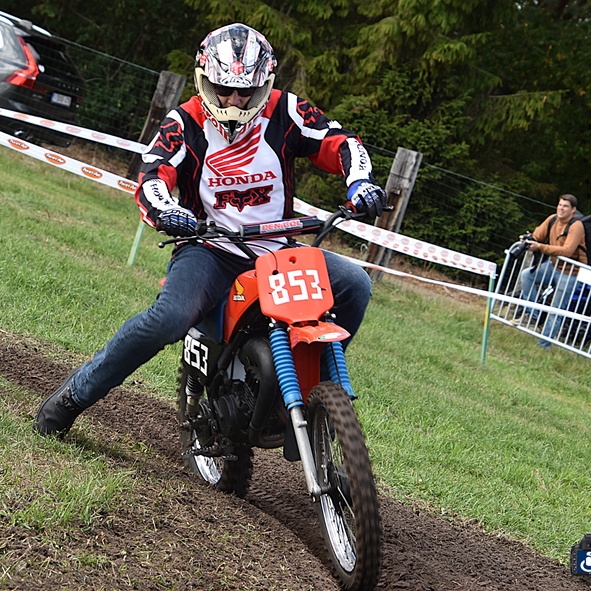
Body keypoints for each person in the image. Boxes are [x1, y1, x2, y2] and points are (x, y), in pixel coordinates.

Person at [35, 23, 387, 437]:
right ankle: (72, 397)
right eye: (224, 89)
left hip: (277, 250)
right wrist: (167, 210)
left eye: (246, 92)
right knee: (168, 319)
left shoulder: (287, 110)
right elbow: (152, 175)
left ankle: (313, 395)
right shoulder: (184, 122)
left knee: (354, 284)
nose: (235, 100)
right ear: (205, 80)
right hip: (208, 248)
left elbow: (342, 142)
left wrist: (360, 183)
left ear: (264, 84)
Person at [514, 194, 587, 350]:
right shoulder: (553, 219)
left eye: (565, 206)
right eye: (560, 205)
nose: (561, 208)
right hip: (553, 266)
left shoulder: (577, 226)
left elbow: (567, 251)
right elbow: (537, 236)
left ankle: (543, 345)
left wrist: (540, 247)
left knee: (556, 309)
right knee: (527, 276)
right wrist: (528, 240)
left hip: (571, 273)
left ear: (573, 210)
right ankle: (534, 316)